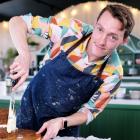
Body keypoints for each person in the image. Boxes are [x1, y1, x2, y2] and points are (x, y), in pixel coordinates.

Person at [9, 4, 135, 140]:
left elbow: (88, 112)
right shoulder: (71, 31)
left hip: (64, 127)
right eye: (99, 29)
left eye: (113, 37)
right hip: (29, 112)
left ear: (124, 40)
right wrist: (24, 55)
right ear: (95, 24)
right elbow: (17, 22)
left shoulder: (113, 73)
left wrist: (62, 122)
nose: (101, 40)